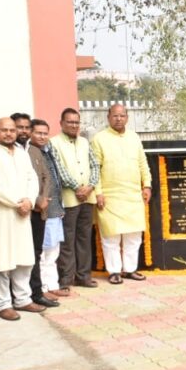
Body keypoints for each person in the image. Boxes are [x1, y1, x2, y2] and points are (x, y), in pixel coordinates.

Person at [0, 118, 44, 321]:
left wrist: (29, 200)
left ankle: (23, 299)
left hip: (23, 213)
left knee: (24, 259)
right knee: (2, 261)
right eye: (4, 130)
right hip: (1, 214)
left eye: (12, 130)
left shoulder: (21, 153)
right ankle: (3, 304)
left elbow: (32, 178)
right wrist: (17, 203)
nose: (9, 134)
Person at [92, 104, 152, 284]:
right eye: (115, 116)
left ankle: (130, 269)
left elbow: (143, 163)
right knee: (111, 236)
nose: (118, 119)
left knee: (133, 236)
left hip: (133, 195)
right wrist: (98, 193)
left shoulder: (134, 137)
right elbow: (95, 168)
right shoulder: (99, 139)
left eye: (122, 115)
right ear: (108, 117)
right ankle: (114, 271)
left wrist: (147, 185)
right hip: (109, 196)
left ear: (127, 117)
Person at [12, 113, 59, 307]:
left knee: (36, 252)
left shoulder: (34, 151)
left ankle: (36, 292)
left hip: (40, 211)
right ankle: (21, 296)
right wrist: (32, 200)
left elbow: (46, 177)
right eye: (19, 127)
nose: (23, 131)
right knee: (21, 254)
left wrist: (43, 199)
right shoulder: (9, 151)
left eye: (26, 127)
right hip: (19, 211)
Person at [51, 107, 100, 290]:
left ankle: (84, 276)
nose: (74, 125)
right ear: (61, 123)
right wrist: (77, 188)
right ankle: (65, 279)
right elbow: (59, 169)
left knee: (84, 238)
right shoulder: (53, 143)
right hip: (69, 199)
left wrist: (90, 187)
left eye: (76, 122)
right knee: (67, 241)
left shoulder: (85, 142)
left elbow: (95, 165)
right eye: (70, 122)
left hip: (87, 198)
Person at [31, 119, 70, 298]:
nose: (42, 136)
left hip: (55, 208)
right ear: (31, 133)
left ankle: (52, 284)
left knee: (54, 249)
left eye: (45, 133)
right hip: (43, 208)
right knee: (45, 250)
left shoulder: (47, 151)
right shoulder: (31, 152)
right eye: (38, 133)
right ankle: (44, 287)